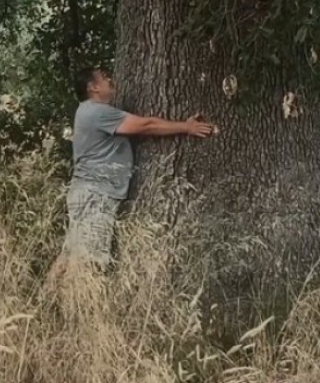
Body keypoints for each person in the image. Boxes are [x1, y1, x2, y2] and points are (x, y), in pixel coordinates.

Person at [57, 66, 215, 273]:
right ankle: (80, 303)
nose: (110, 79)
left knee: (70, 255)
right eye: (104, 77)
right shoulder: (96, 112)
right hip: (95, 196)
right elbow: (146, 125)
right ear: (93, 87)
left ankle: (43, 302)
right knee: (89, 262)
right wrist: (186, 127)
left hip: (87, 193)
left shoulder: (87, 112)